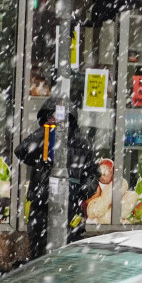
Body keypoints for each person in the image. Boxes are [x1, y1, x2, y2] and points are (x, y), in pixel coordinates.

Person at [15, 100, 97, 258]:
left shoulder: (81, 143)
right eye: (51, 117)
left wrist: (86, 188)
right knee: (39, 256)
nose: (57, 122)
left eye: (61, 118)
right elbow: (22, 152)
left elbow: (93, 173)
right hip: (41, 209)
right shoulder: (42, 140)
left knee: (69, 257)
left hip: (71, 211)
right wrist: (44, 132)